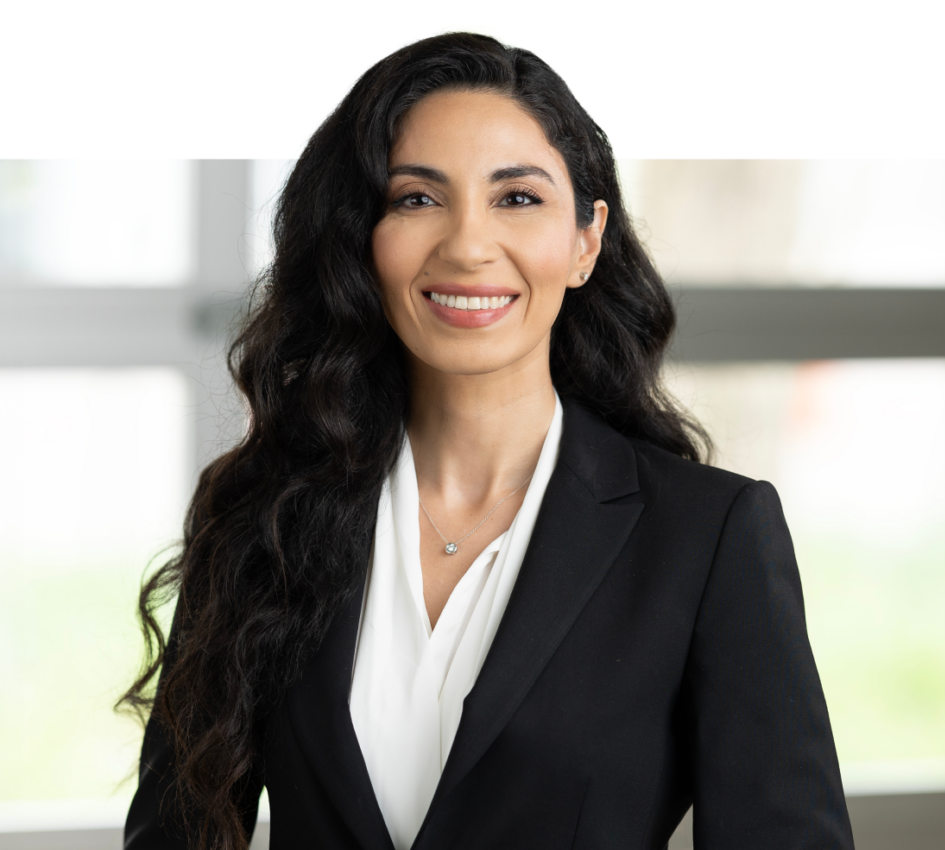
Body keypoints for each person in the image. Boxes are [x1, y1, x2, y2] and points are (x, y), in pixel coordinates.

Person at [121, 24, 855, 850]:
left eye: (517, 198)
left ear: (585, 240)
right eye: (417, 198)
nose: (468, 245)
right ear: (363, 240)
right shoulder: (262, 510)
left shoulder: (707, 539)